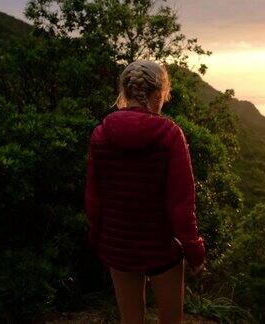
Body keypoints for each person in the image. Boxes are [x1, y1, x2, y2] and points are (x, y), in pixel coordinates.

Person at [84, 60, 206, 324]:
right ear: (157, 95)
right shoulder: (170, 135)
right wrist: (195, 251)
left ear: (125, 93)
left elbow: (94, 201)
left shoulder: (100, 135)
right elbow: (181, 207)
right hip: (161, 246)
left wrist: (98, 238)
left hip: (117, 244)